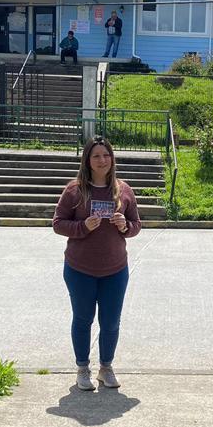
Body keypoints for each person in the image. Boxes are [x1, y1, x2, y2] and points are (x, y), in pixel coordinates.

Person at [52, 136, 142, 391]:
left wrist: (125, 226)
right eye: (96, 156)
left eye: (106, 155)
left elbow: (136, 224)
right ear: (87, 161)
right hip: (80, 269)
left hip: (115, 269)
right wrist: (82, 226)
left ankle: (106, 368)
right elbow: (58, 223)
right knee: (83, 319)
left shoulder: (123, 190)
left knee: (111, 321)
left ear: (112, 158)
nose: (102, 160)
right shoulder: (75, 190)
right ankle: (82, 369)